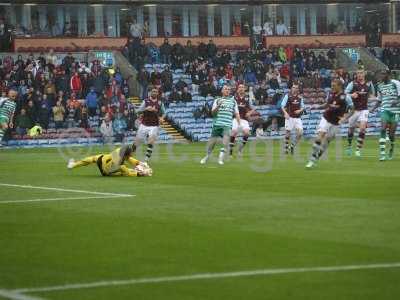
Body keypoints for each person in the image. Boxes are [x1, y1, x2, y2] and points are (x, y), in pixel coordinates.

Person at [306, 80, 354, 168]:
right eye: (331, 85)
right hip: (326, 118)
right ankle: (311, 159)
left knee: (327, 140)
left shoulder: (346, 97)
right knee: (320, 136)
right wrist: (318, 106)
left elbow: (352, 109)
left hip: (336, 122)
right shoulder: (330, 94)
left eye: (333, 85)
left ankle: (315, 158)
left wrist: (345, 118)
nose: (332, 87)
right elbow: (327, 105)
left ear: (339, 86)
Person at [200, 85, 241, 165]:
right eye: (225, 89)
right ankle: (207, 156)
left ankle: (220, 159)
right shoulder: (217, 100)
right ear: (222, 91)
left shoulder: (233, 101)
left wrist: (239, 124)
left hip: (227, 124)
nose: (227, 90)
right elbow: (213, 113)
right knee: (211, 144)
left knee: (225, 141)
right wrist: (218, 106)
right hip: (217, 124)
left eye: (228, 89)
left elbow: (237, 113)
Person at [345, 68, 375, 157]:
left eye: (361, 73)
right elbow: (344, 93)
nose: (359, 75)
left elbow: (371, 95)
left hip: (364, 110)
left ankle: (358, 149)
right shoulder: (352, 84)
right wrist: (351, 95)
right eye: (358, 73)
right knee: (351, 129)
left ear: (364, 74)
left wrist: (375, 98)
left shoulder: (369, 84)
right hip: (354, 110)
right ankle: (349, 145)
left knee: (362, 128)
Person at [67, 145, 152, 177]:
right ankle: (140, 171)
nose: (131, 155)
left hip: (102, 159)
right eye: (130, 154)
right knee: (124, 171)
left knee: (89, 160)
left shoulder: (119, 151)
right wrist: (141, 174)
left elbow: (129, 158)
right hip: (106, 170)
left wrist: (140, 163)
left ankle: (72, 165)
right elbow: (128, 172)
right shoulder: (120, 163)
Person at [370, 70, 400, 161]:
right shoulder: (380, 85)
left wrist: (397, 101)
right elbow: (379, 99)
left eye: (383, 74)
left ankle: (392, 146)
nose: (381, 75)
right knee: (383, 128)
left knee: (391, 134)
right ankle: (382, 154)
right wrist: (373, 108)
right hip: (385, 110)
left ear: (388, 75)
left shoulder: (396, 83)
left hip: (395, 112)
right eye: (380, 74)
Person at [135, 88, 166, 162]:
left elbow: (164, 113)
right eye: (153, 91)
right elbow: (138, 111)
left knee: (151, 141)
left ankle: (146, 160)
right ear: (150, 93)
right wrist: (146, 109)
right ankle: (129, 155)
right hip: (144, 124)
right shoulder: (145, 101)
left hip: (154, 125)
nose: (154, 93)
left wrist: (162, 118)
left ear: (158, 93)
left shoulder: (160, 103)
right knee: (137, 142)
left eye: (156, 92)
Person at [229, 84, 256, 157]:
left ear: (244, 89)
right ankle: (230, 152)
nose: (241, 88)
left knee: (247, 133)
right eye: (240, 87)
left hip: (244, 119)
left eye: (242, 87)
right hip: (235, 119)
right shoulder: (234, 98)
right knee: (234, 132)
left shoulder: (247, 98)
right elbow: (230, 106)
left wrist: (249, 113)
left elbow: (254, 108)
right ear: (238, 89)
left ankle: (240, 149)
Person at [281, 83, 305, 154]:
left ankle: (292, 145)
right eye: (293, 87)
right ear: (291, 88)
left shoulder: (300, 97)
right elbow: (282, 106)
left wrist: (300, 110)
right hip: (289, 117)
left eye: (296, 88)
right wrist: (285, 113)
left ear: (298, 89)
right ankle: (286, 149)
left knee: (300, 133)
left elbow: (303, 107)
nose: (295, 89)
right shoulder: (287, 96)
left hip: (297, 118)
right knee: (288, 132)